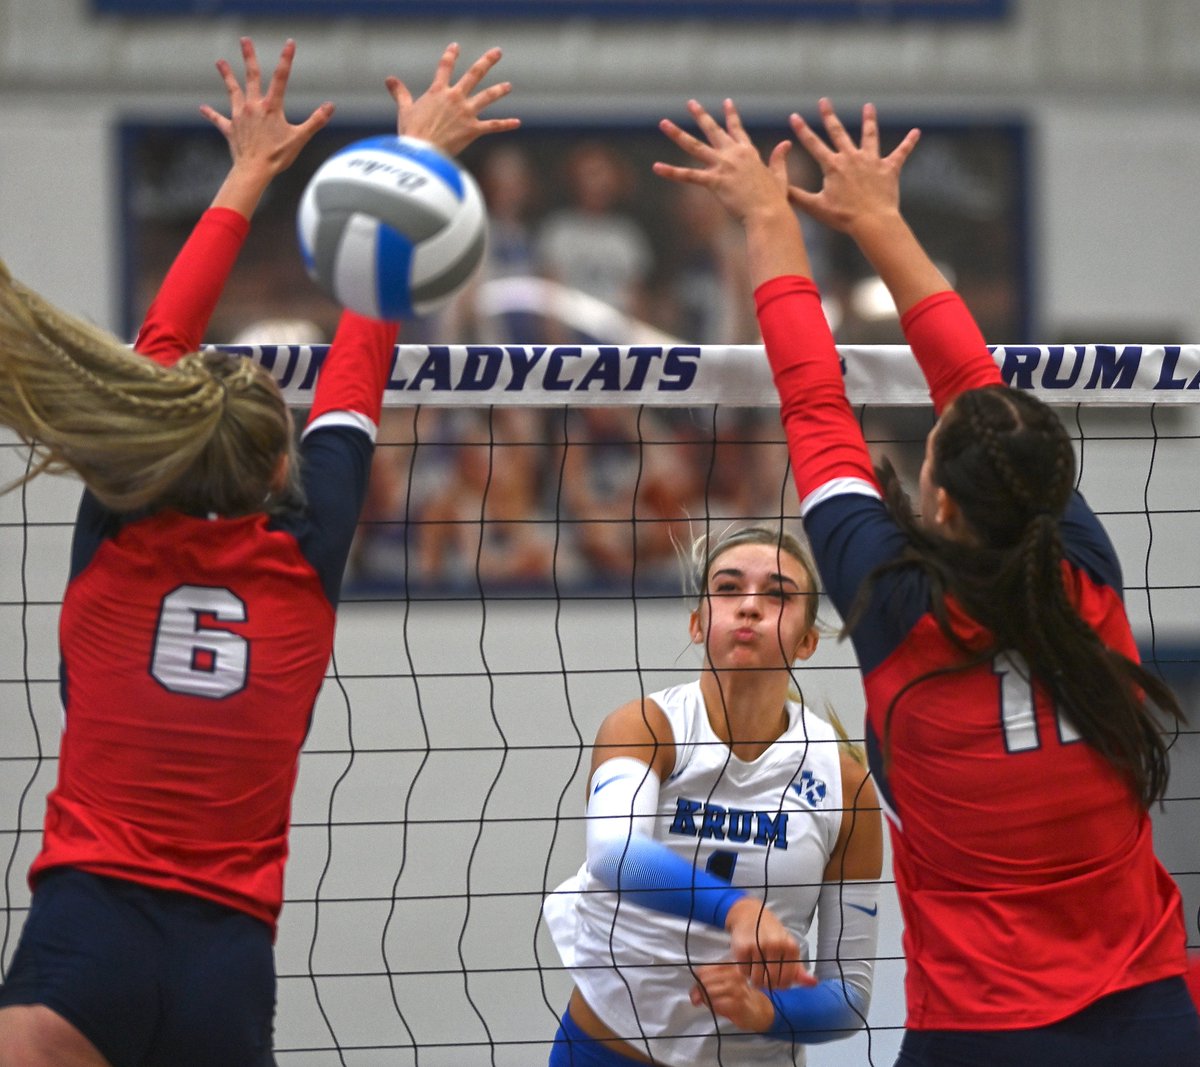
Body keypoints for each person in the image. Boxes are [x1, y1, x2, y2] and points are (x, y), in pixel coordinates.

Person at [0, 37, 518, 1067]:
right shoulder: (303, 557)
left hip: (86, 932)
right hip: (225, 960)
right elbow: (361, 358)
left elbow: (159, 341)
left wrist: (247, 169)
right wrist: (416, 161)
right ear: (284, 465)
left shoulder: (122, 519)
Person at [653, 97, 1200, 1065]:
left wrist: (773, 216)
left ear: (940, 498)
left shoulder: (895, 607)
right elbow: (960, 393)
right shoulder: (1084, 571)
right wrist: (863, 218)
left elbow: (816, 397)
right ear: (1050, 489)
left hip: (982, 1035)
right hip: (1151, 1022)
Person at [542, 525, 883, 1065]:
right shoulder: (647, 727)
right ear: (698, 623)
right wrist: (737, 910)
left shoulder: (844, 784)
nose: (749, 605)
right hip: (605, 1051)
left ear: (807, 641)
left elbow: (849, 998)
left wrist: (766, 1012)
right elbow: (613, 853)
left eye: (778, 594)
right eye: (727, 588)